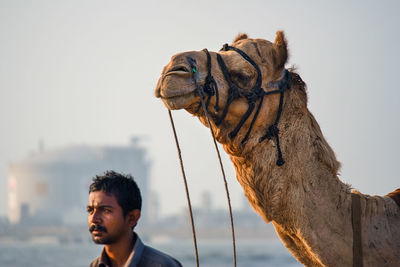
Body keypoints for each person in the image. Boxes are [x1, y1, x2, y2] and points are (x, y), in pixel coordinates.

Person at [87, 170, 182, 267]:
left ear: (132, 218)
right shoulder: (95, 265)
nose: (94, 219)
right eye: (90, 210)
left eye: (106, 210)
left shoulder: (162, 265)